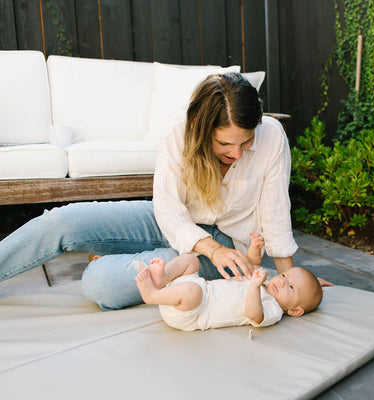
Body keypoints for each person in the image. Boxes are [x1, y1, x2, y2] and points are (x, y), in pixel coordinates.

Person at [0, 72, 311, 310]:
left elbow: (275, 214)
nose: (238, 153)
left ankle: (118, 260)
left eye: (245, 142)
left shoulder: (272, 137)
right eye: (225, 144)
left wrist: (293, 278)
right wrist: (210, 249)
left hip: (229, 246)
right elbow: (167, 209)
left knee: (102, 284)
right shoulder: (179, 131)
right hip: (172, 222)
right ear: (202, 131)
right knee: (61, 222)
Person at [134, 233, 322, 331]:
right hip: (194, 290)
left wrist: (255, 287)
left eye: (290, 287)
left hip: (192, 313)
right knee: (191, 260)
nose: (281, 282)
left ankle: (152, 295)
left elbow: (254, 315)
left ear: (295, 310)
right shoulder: (262, 280)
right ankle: (162, 278)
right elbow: (253, 263)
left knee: (193, 291)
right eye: (283, 276)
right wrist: (255, 247)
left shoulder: (273, 309)